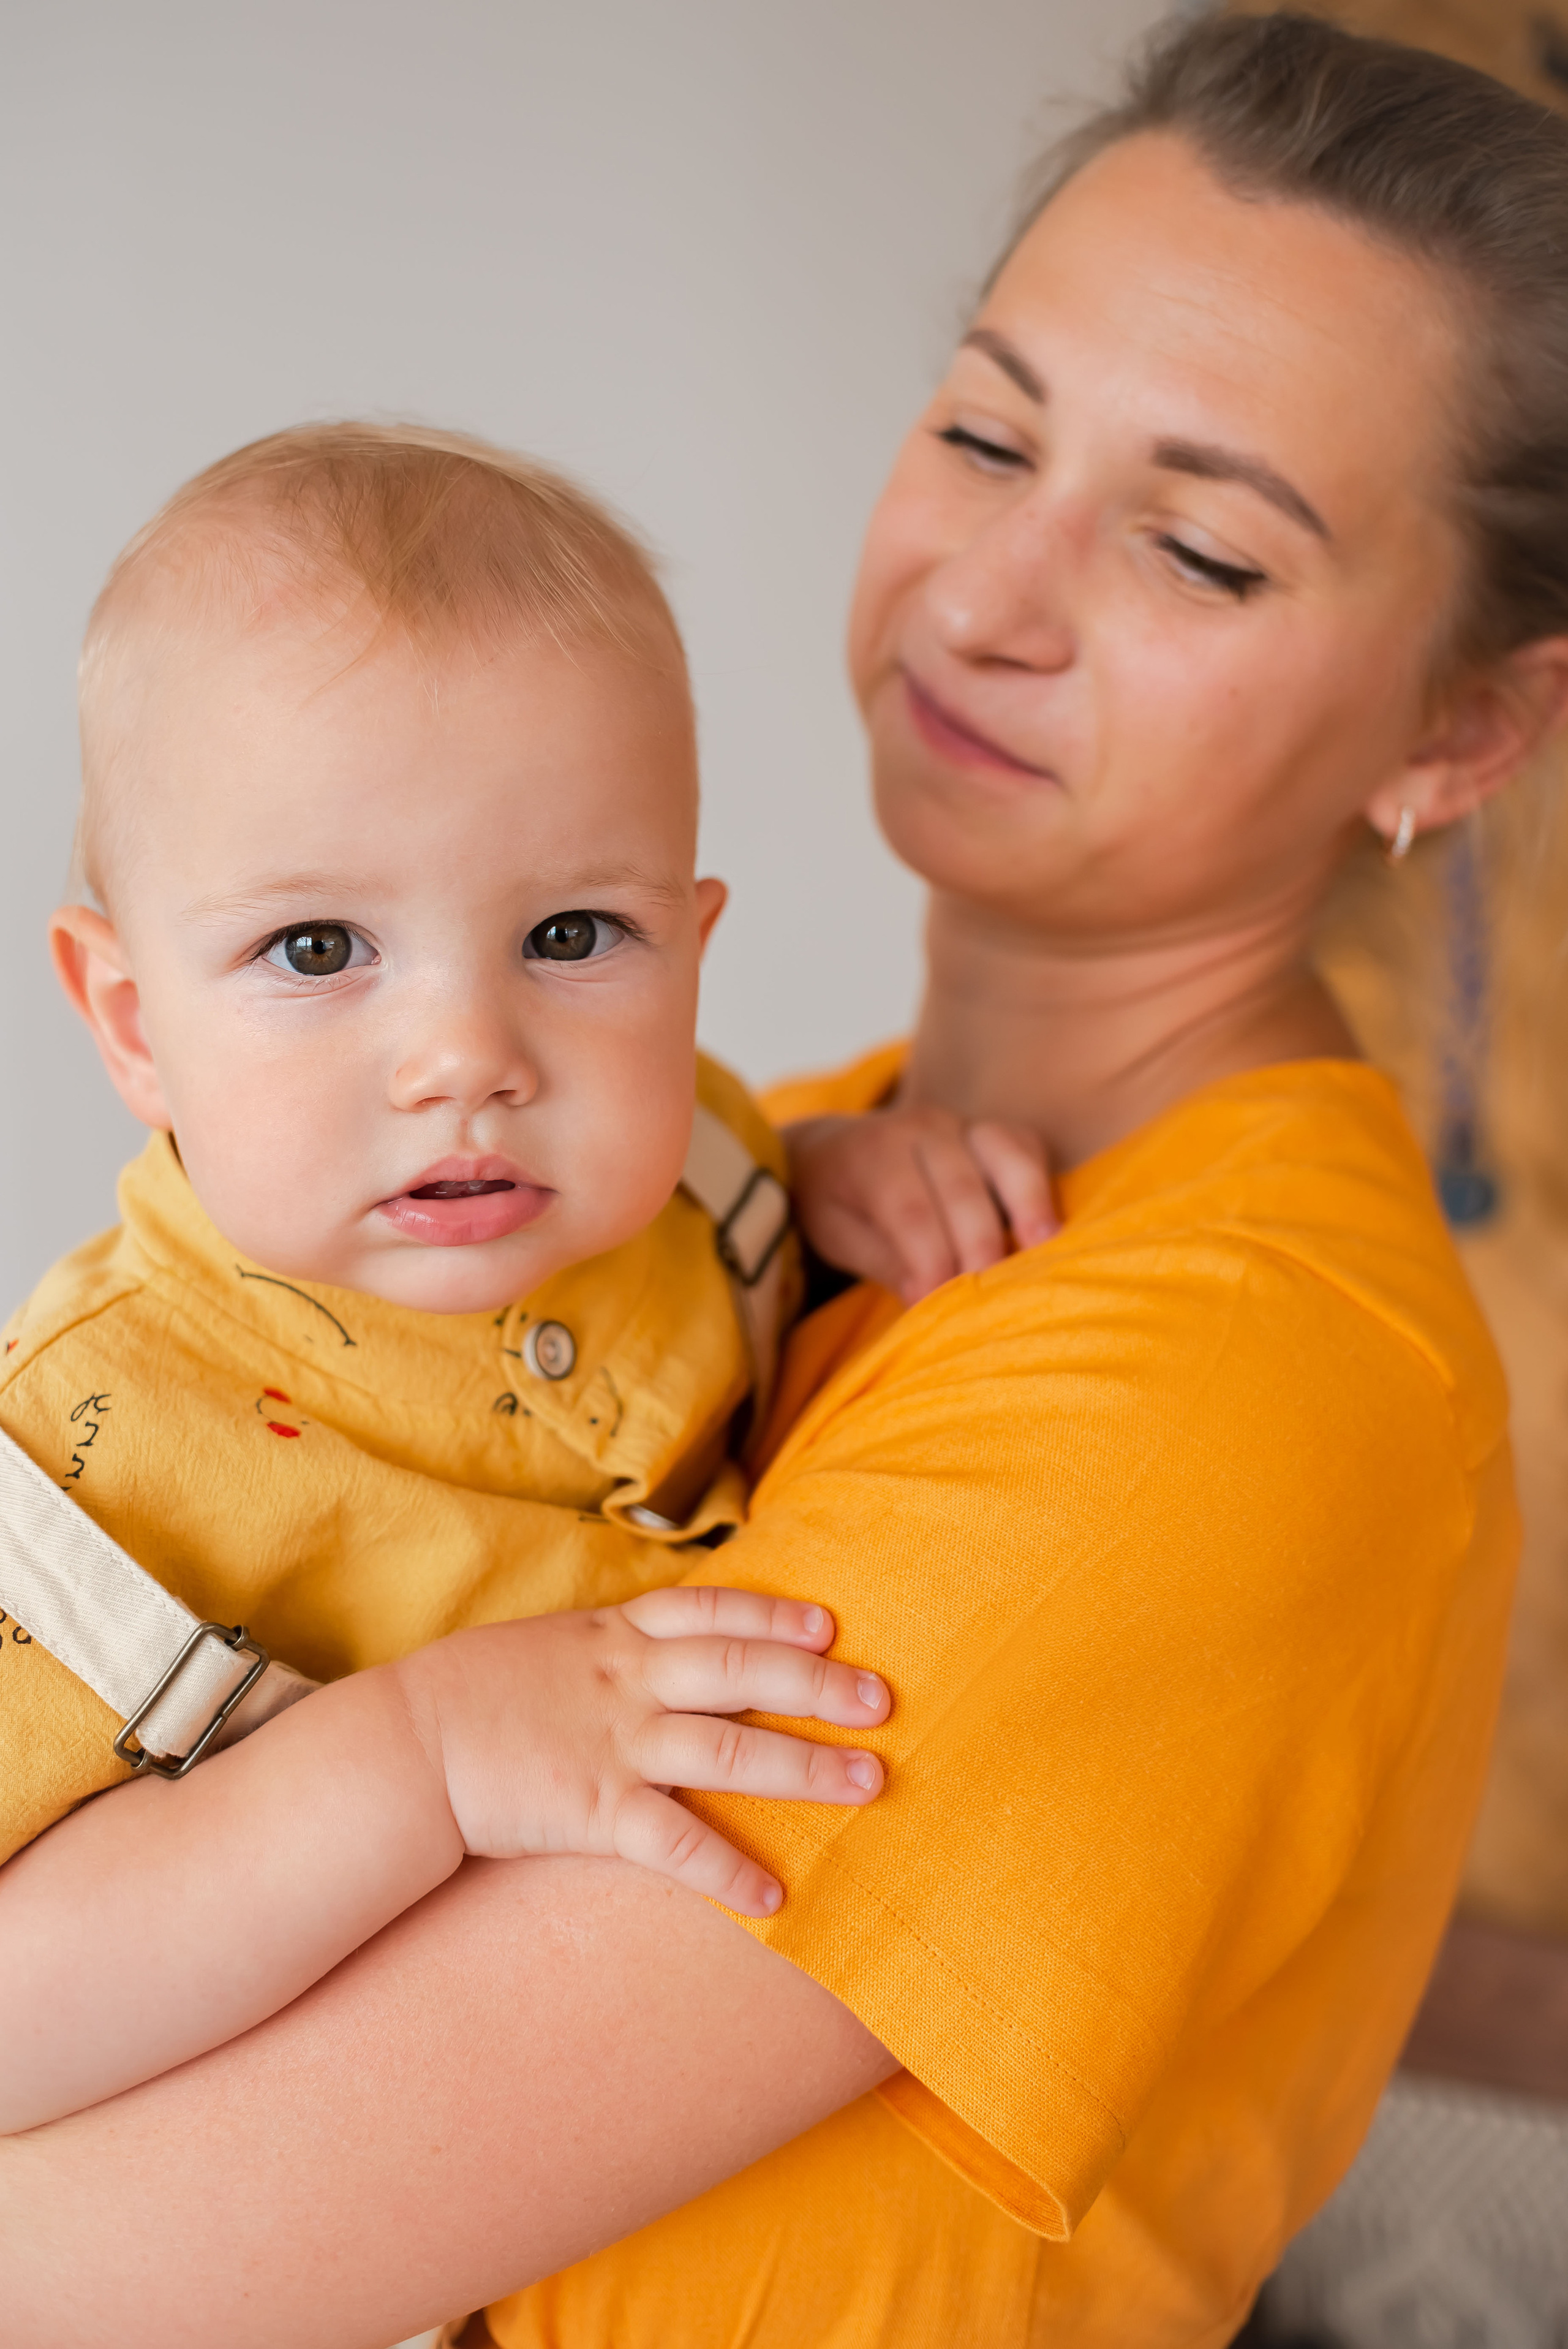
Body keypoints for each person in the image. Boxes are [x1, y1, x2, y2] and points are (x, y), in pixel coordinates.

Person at [5, 13, 1566, 2345]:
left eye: (1200, 548)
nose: (992, 597)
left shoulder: (1227, 1374)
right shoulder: (688, 1192)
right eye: (987, 432)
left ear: (1466, 723)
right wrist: (790, 1178)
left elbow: (125, 2266)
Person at [0, 421, 1060, 2139]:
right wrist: (422, 1757)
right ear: (132, 1022)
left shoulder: (704, 1177)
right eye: (318, 948)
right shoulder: (73, 1483)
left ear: (692, 955)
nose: (468, 1058)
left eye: (571, 936)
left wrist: (819, 1185)